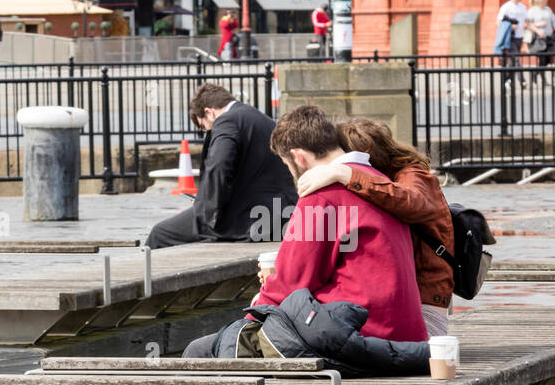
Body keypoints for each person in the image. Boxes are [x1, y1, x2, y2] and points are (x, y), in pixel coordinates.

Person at [183, 104, 428, 361]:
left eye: (287, 165)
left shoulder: (321, 194)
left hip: (360, 335)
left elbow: (292, 281)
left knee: (200, 350)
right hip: (405, 336)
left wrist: (250, 318)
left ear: (298, 156)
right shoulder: (374, 180)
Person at [296, 117, 454, 337]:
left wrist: (346, 173)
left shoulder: (411, 174)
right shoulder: (375, 185)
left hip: (424, 312)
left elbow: (413, 201)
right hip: (407, 307)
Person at [144, 82, 296, 249]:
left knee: (160, 234)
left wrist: (207, 213)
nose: (207, 132)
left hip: (250, 219)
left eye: (203, 127)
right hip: (281, 214)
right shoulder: (261, 119)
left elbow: (219, 166)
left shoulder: (227, 121)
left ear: (209, 113)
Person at [524, 0, 555, 68]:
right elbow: (527, 24)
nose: (547, 0)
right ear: (540, 0)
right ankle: (540, 77)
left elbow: (554, 21)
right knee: (542, 59)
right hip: (538, 39)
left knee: (549, 58)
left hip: (548, 38)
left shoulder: (548, 9)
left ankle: (538, 74)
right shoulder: (532, 11)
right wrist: (537, 28)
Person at [494, 0, 527, 66]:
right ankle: (521, 78)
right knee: (516, 57)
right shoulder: (506, 7)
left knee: (513, 59)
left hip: (520, 36)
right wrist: (510, 27)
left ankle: (508, 77)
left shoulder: (523, 7)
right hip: (510, 36)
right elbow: (499, 21)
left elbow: (526, 21)